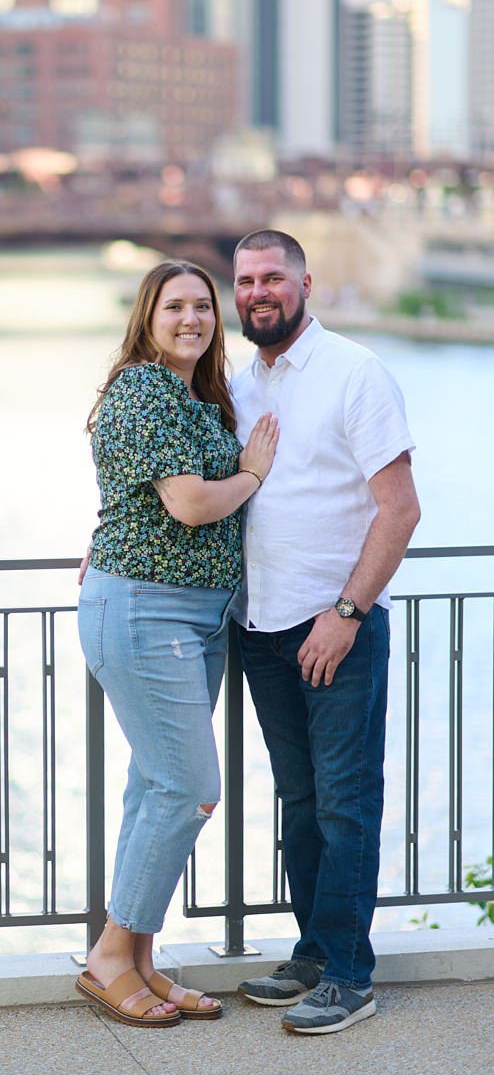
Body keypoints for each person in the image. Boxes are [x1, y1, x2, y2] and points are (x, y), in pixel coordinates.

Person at [76, 259, 278, 1028]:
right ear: (148, 317)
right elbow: (191, 504)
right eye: (175, 307)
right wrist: (253, 473)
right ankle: (107, 957)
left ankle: (140, 961)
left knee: (154, 788)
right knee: (190, 788)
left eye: (203, 306)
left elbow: (137, 498)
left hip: (198, 616)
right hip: (146, 614)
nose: (192, 318)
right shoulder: (142, 388)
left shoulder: (196, 397)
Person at [230, 229, 420, 1035]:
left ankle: (349, 974)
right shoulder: (238, 385)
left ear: (305, 283)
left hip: (334, 628)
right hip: (261, 629)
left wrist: (345, 615)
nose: (257, 292)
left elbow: (400, 507)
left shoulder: (355, 372)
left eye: (272, 277)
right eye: (243, 281)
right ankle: (313, 954)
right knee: (301, 800)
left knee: (345, 803)